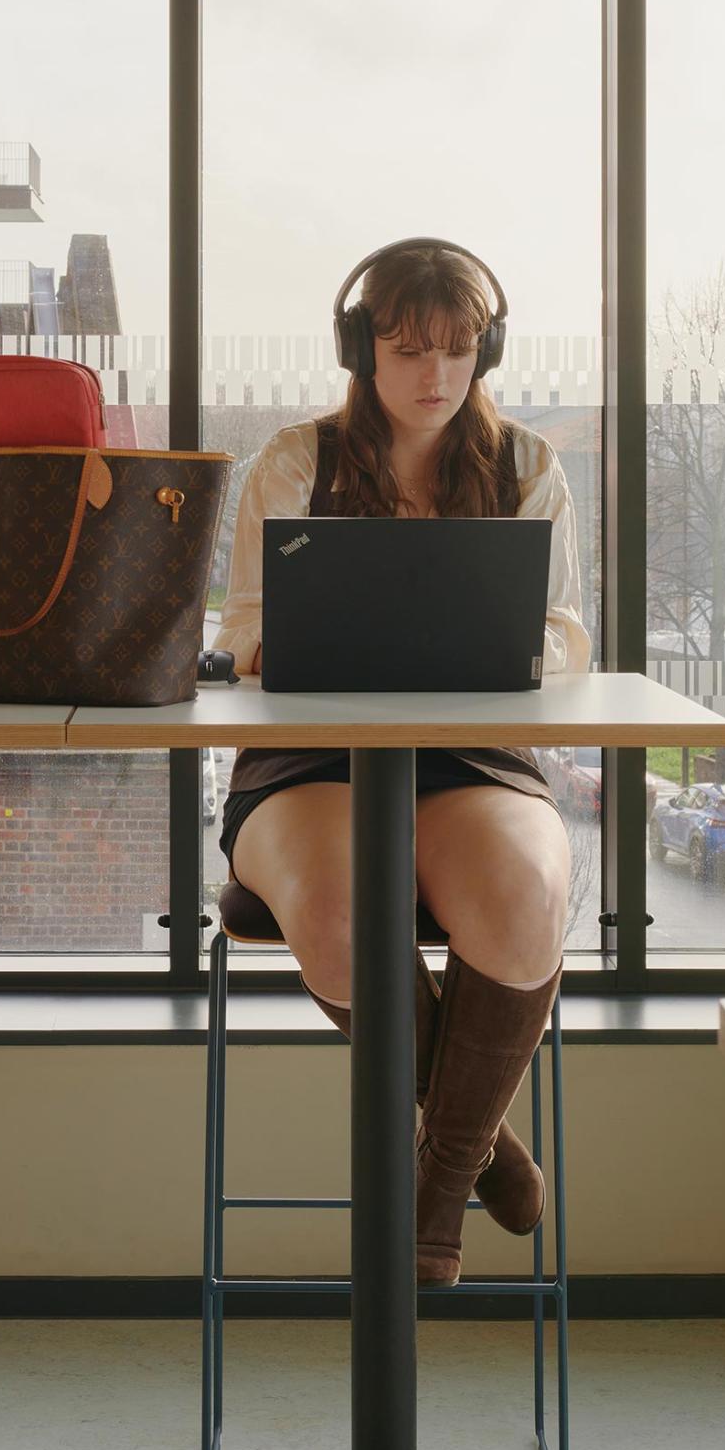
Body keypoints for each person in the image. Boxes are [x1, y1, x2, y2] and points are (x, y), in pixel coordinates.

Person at [213, 238, 591, 1287]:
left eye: (458, 350)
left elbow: (566, 635)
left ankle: (434, 1194)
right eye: (410, 349)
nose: (436, 376)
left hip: (474, 755)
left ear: (486, 352)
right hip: (305, 760)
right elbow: (244, 635)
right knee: (339, 922)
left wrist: (510, 641)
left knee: (524, 898)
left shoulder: (529, 468)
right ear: (358, 347)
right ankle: (484, 1152)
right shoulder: (294, 464)